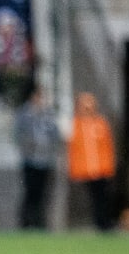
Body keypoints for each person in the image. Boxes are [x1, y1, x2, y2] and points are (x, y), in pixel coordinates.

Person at [66, 90, 118, 231]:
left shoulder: (100, 123)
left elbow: (108, 147)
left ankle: (105, 222)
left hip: (101, 168)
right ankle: (98, 222)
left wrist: (110, 167)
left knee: (104, 197)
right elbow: (72, 150)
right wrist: (74, 169)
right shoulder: (75, 124)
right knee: (93, 198)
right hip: (85, 169)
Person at [14, 83, 60, 230]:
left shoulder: (48, 114)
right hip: (30, 159)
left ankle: (40, 223)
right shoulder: (25, 113)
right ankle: (26, 223)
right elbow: (18, 134)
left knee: (42, 193)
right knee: (30, 192)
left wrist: (52, 150)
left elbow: (55, 134)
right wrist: (27, 149)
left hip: (45, 160)